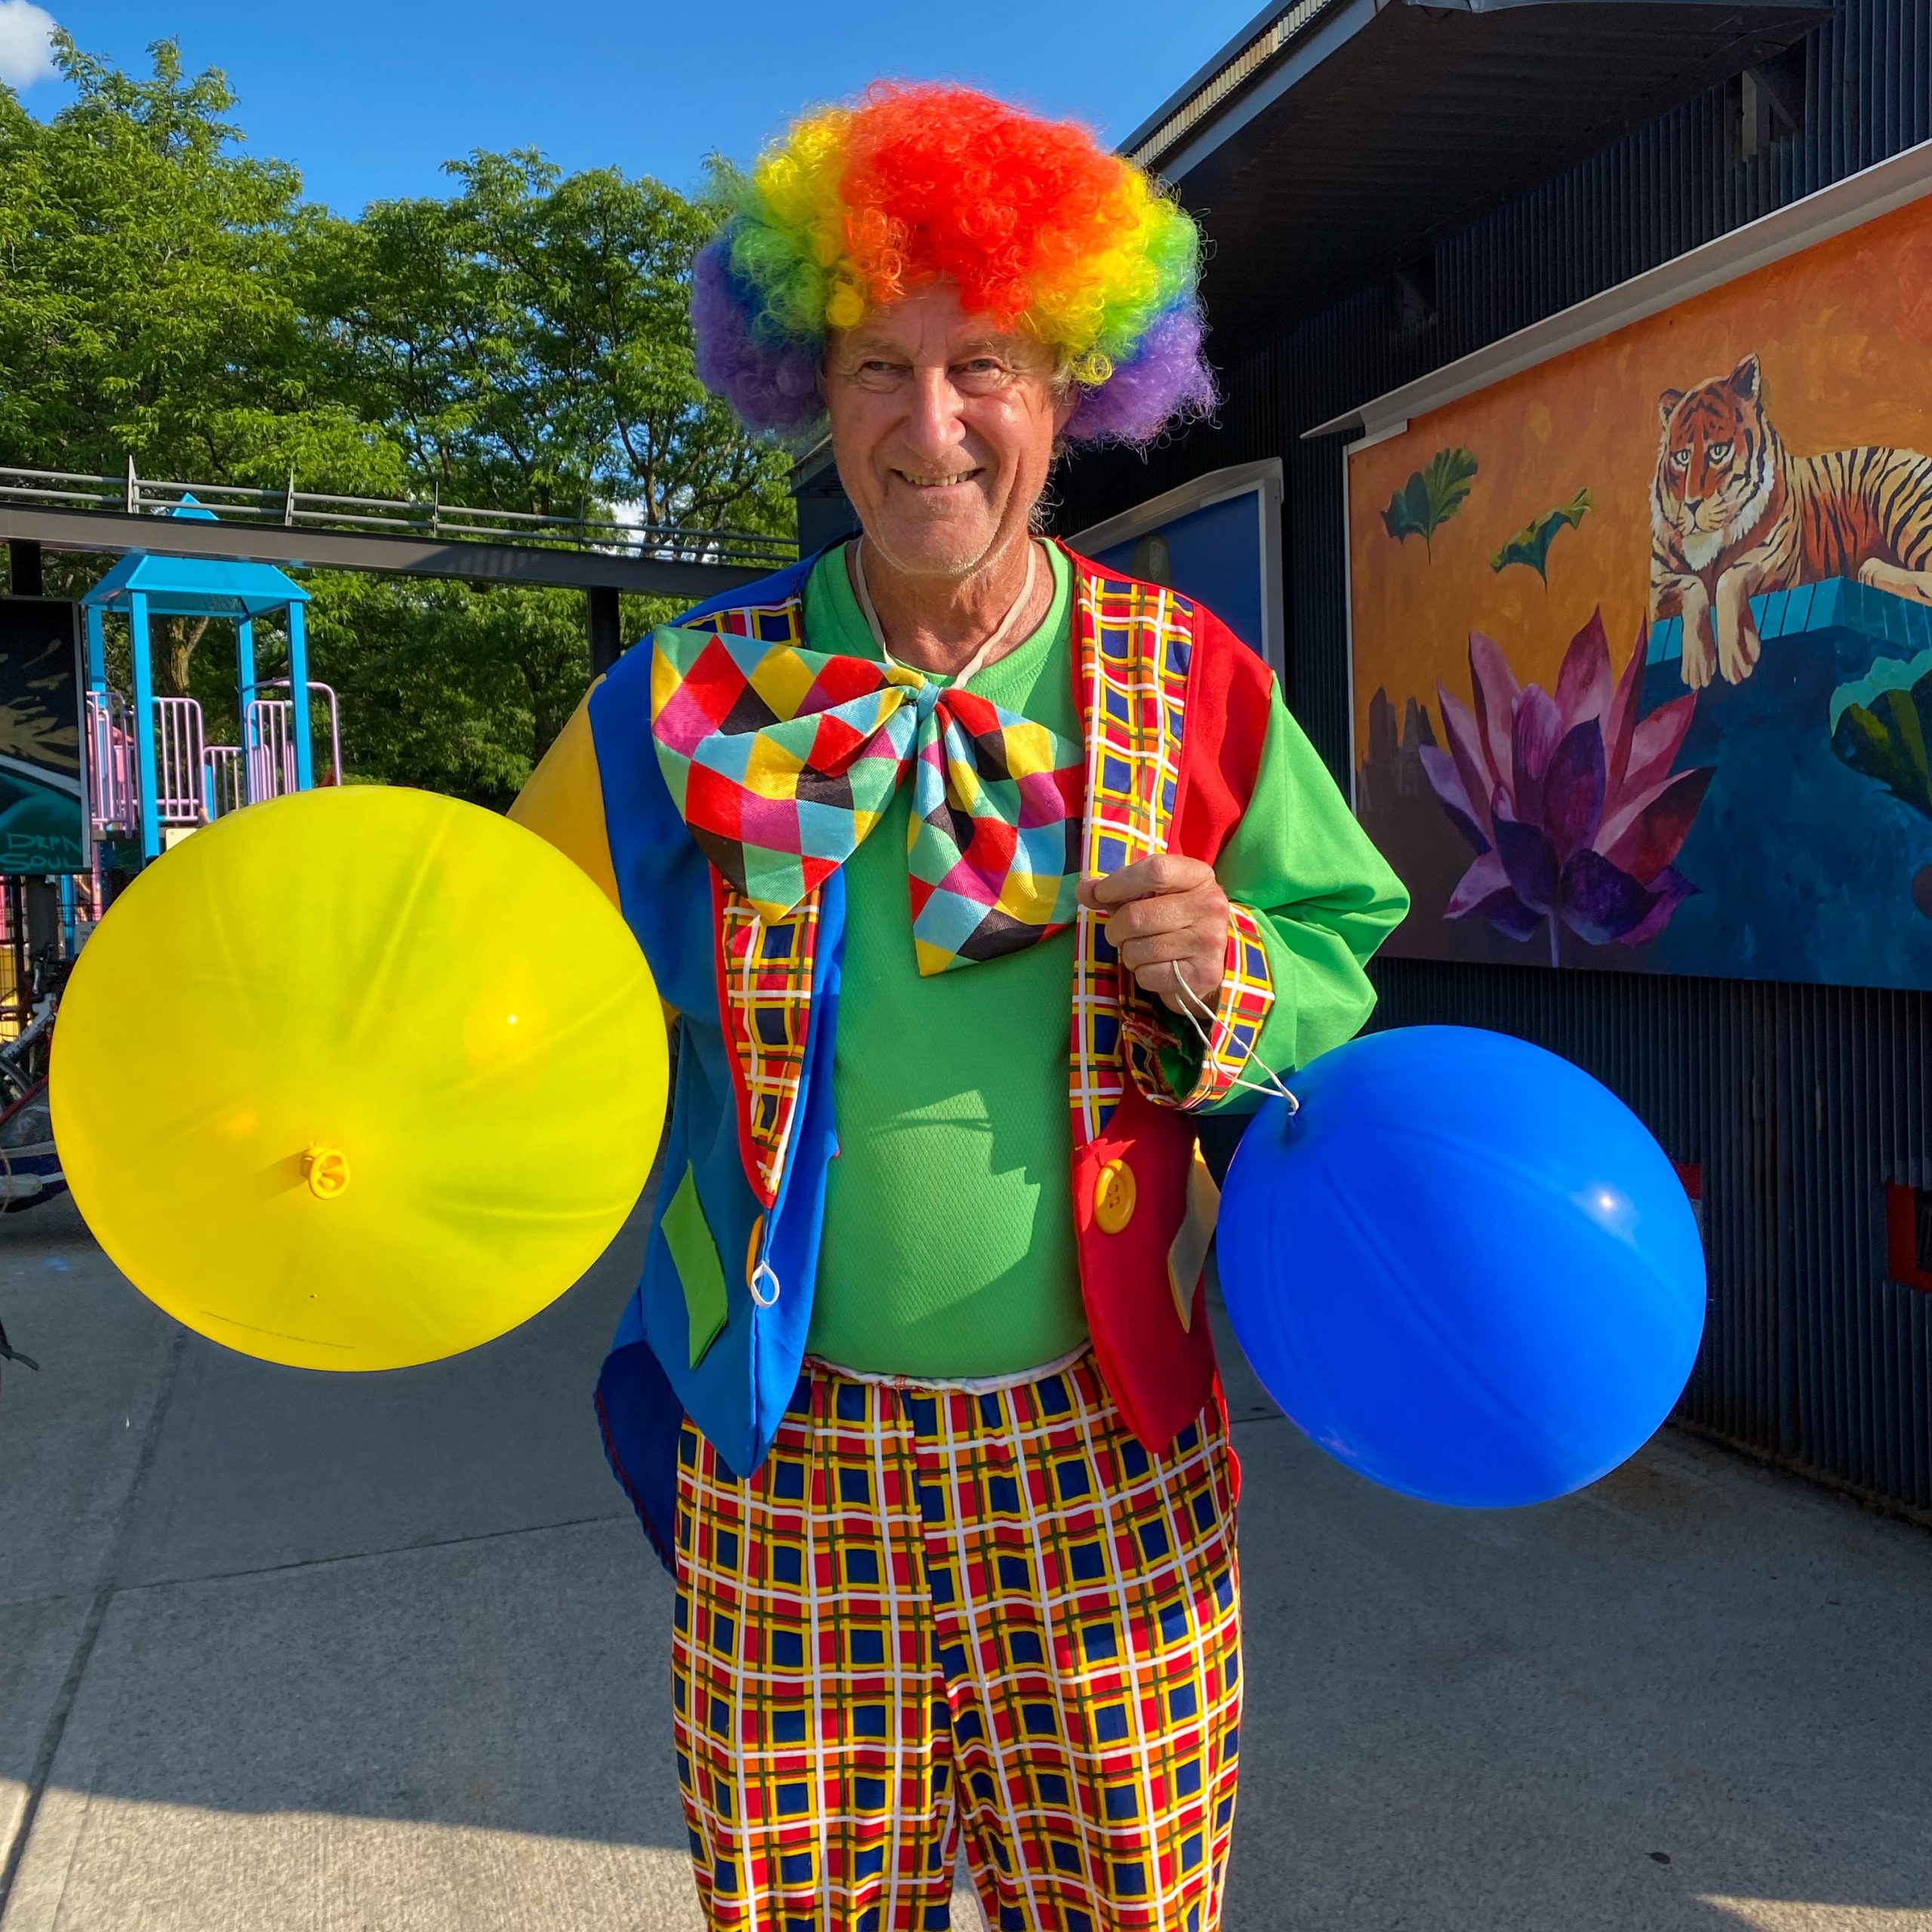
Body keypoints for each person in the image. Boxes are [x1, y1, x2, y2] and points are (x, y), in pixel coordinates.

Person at [512, 82, 1408, 1932]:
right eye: (875, 370)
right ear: (804, 391)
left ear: (1074, 383)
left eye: (982, 363)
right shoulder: (694, 695)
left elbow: (1339, 945)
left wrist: (1229, 967)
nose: (931, 427)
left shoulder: (1190, 677)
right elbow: (503, 981)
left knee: (1130, 1905)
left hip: (1110, 1455)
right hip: (789, 1456)